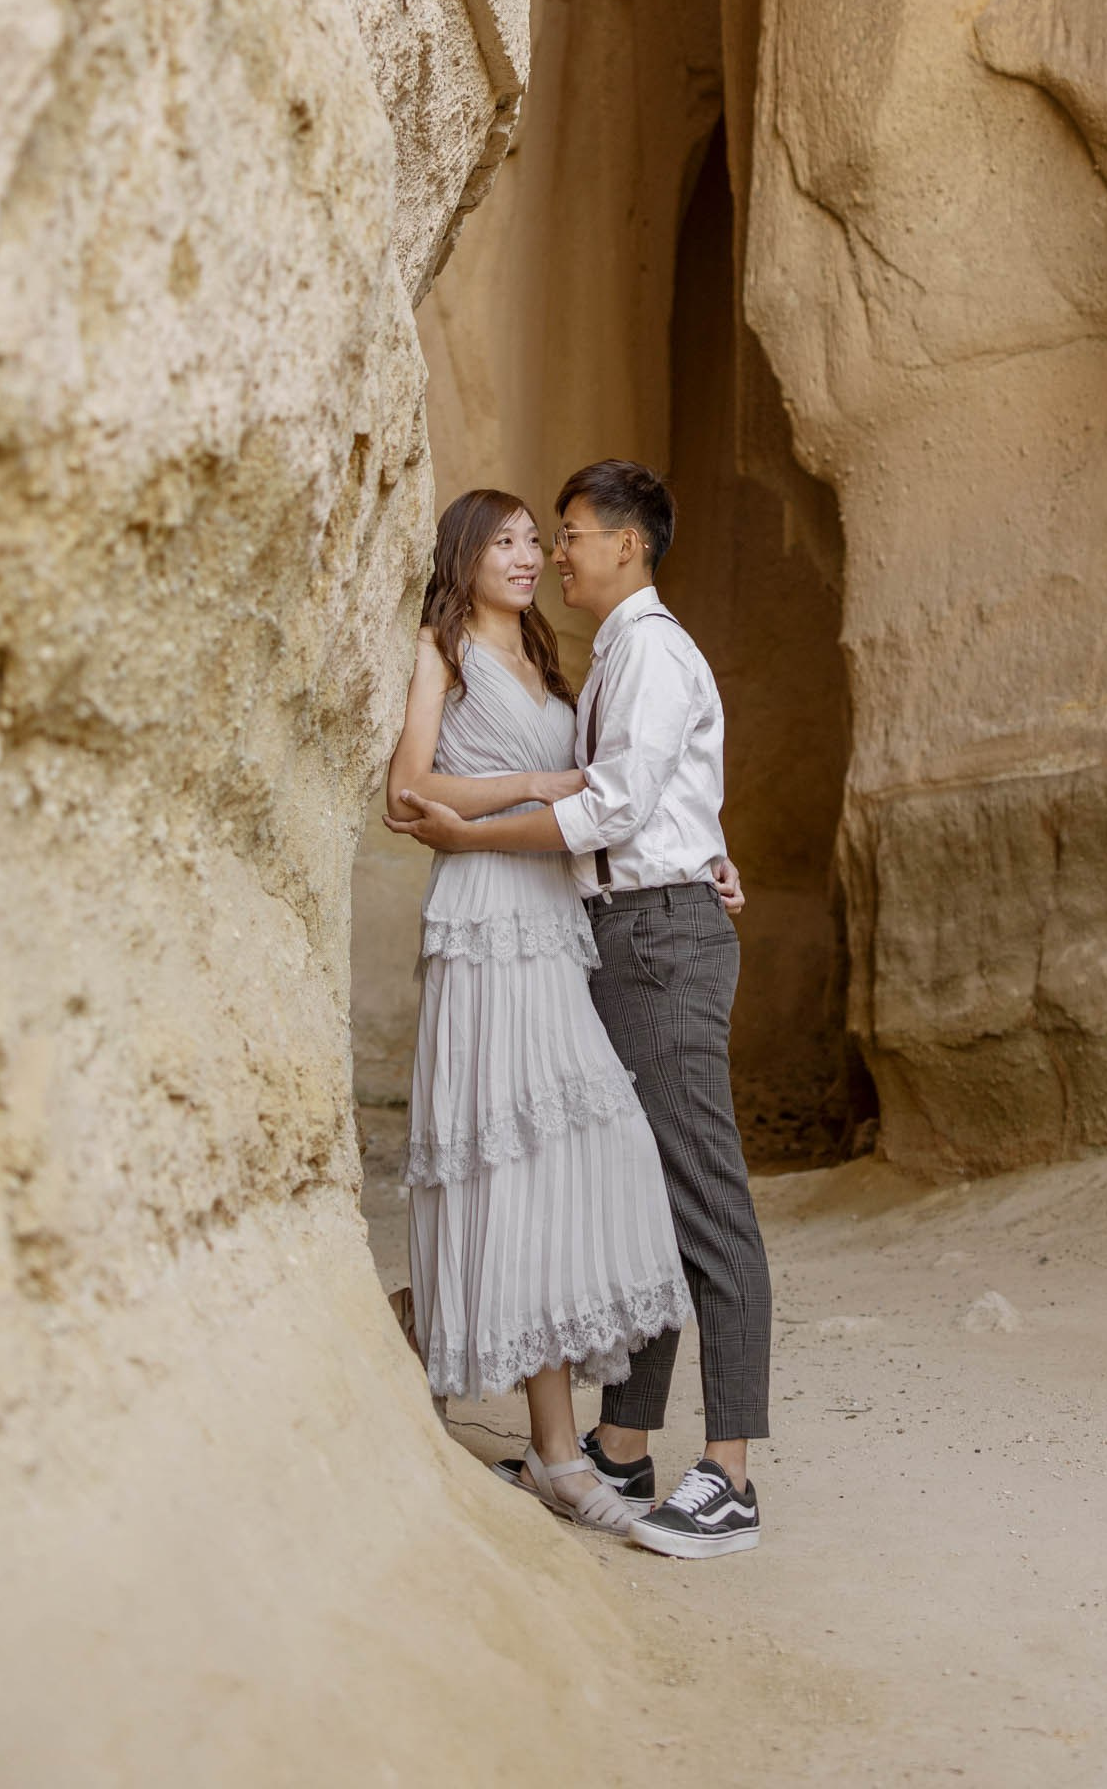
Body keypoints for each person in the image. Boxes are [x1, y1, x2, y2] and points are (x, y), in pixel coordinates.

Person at [402, 459, 773, 1560]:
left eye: (563, 535)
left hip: (652, 936)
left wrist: (478, 833)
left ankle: (732, 1475)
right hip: (603, 931)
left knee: (699, 1194)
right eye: (528, 538)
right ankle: (617, 1442)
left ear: (626, 543)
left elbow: (613, 798)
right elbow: (652, 793)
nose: (551, 554)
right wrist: (701, 846)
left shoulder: (648, 651)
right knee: (636, 1187)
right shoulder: (603, 656)